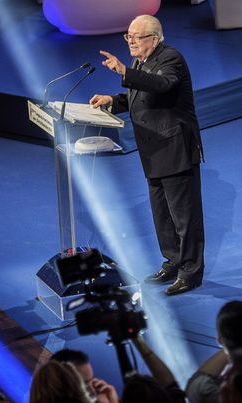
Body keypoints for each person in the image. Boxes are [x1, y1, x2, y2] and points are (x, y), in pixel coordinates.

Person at [90, 14, 205, 296]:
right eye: (128, 36)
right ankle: (173, 261)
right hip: (153, 152)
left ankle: (190, 273)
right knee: (162, 215)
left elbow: (162, 85)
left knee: (184, 217)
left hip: (174, 149)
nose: (130, 41)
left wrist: (124, 73)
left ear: (153, 39)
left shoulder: (171, 58)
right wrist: (112, 101)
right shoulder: (141, 61)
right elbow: (139, 97)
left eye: (136, 37)